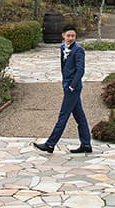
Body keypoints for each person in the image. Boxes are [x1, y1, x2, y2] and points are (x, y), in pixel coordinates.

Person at [33, 24, 93, 154]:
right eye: (68, 36)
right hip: (67, 85)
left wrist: (72, 86)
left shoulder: (78, 50)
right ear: (63, 36)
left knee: (63, 116)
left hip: (73, 88)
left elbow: (80, 70)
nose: (71, 38)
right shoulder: (62, 48)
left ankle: (50, 144)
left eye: (73, 36)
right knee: (80, 117)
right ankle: (86, 144)